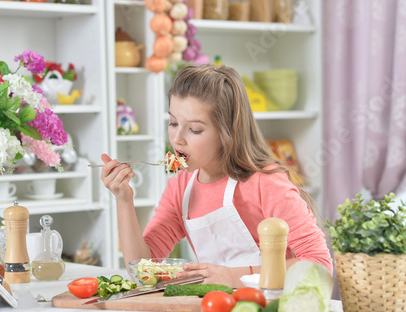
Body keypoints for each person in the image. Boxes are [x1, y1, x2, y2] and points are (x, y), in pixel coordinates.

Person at [100, 64, 332, 288]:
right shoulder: (181, 187)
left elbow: (319, 265)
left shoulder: (266, 182)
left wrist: (233, 277)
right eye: (173, 122)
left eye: (195, 129)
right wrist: (123, 200)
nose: (177, 138)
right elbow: (143, 270)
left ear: (227, 131)